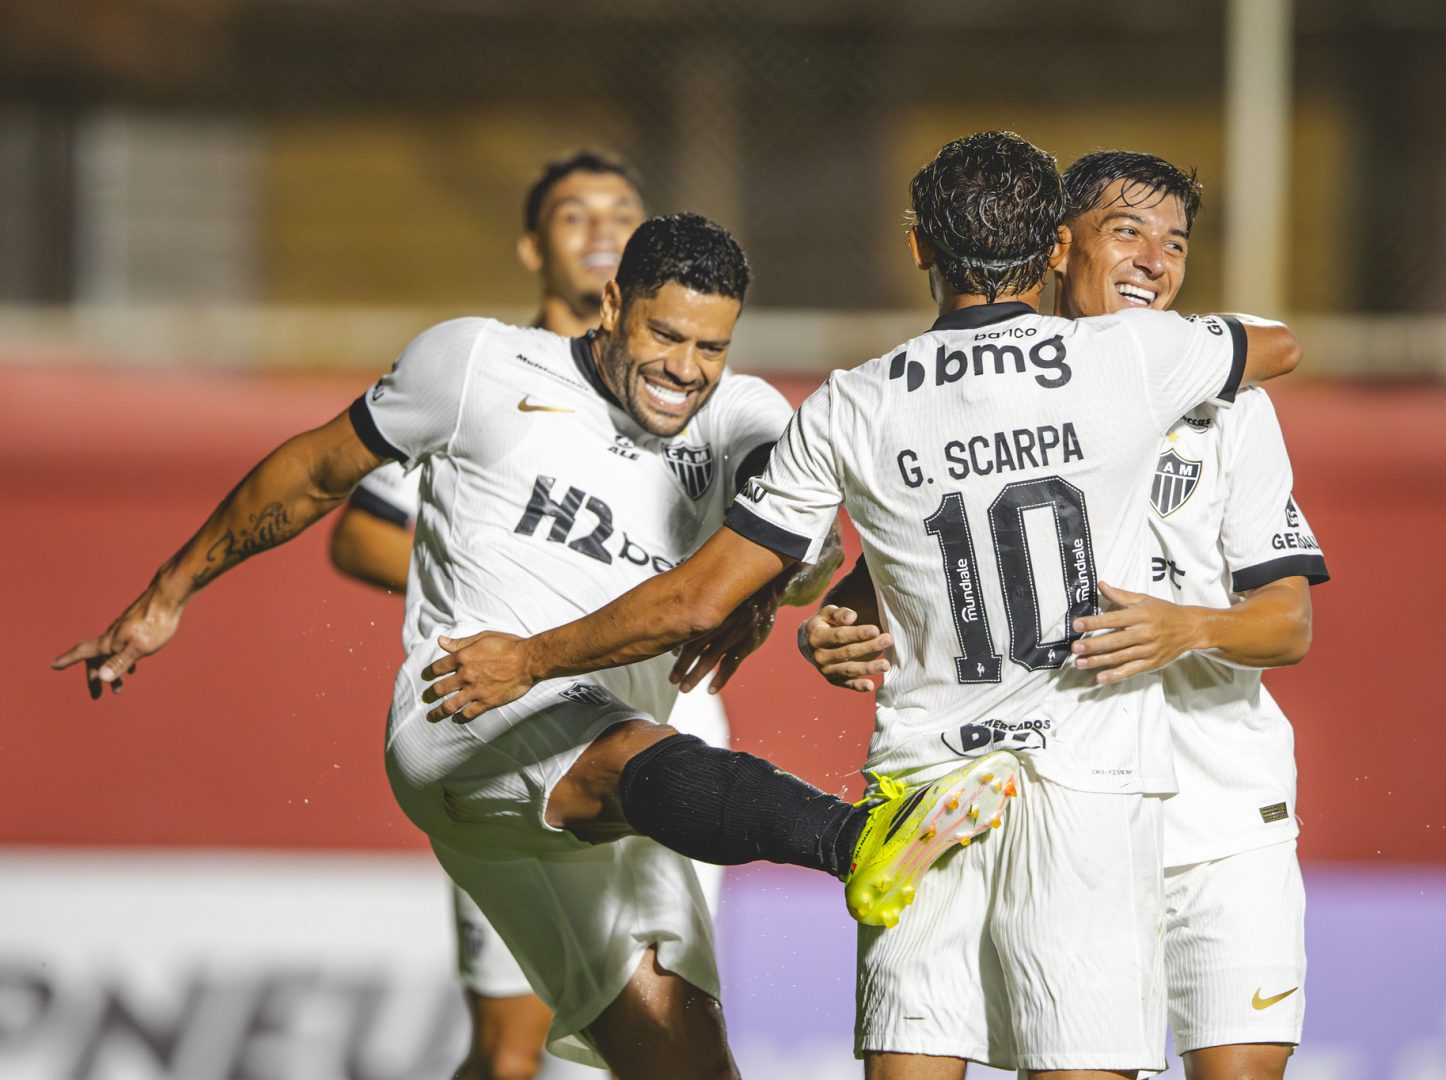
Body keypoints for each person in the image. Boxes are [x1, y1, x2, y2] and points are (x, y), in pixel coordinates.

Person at [418, 132, 1303, 1079]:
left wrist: (539, 653)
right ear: (1053, 249)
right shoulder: (1130, 358)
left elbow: (708, 592)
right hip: (1083, 784)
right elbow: (1279, 345)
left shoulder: (851, 402)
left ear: (918, 247)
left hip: (921, 798)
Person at [57, 213, 1009, 1080]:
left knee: (681, 1070)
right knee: (636, 753)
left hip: (606, 792)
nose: (685, 368)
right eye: (665, 336)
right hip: (465, 716)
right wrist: (167, 594)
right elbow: (314, 472)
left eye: (710, 346)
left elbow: (803, 556)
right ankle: (857, 841)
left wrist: (764, 597)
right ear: (611, 305)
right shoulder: (475, 366)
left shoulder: (746, 421)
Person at [799, 150, 1330, 1080]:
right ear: (1055, 248)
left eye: (1176, 244)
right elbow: (938, 545)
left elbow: (1288, 624)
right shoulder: (981, 397)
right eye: (1126, 233)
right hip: (1061, 799)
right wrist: (845, 612)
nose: (1155, 262)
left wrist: (1189, 626)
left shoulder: (1227, 403)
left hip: (1221, 817)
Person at [327, 152, 722, 1080]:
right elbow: (358, 534)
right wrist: (515, 599)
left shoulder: (699, 392)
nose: (600, 231)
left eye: (621, 213)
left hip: (663, 718)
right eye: (574, 216)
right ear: (531, 246)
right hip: (514, 726)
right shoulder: (480, 377)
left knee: (669, 1026)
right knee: (511, 1049)